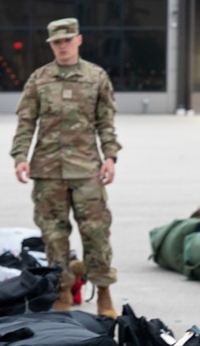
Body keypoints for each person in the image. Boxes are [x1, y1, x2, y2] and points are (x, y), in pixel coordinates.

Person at [10, 17, 121, 318]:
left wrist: (110, 156)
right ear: (51, 45)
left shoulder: (96, 77)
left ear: (78, 40)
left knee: (96, 234)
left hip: (87, 171)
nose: (62, 46)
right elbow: (26, 122)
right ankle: (61, 290)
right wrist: (20, 155)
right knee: (54, 236)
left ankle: (104, 292)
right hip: (47, 171)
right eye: (56, 42)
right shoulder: (39, 79)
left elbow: (106, 123)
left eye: (67, 40)